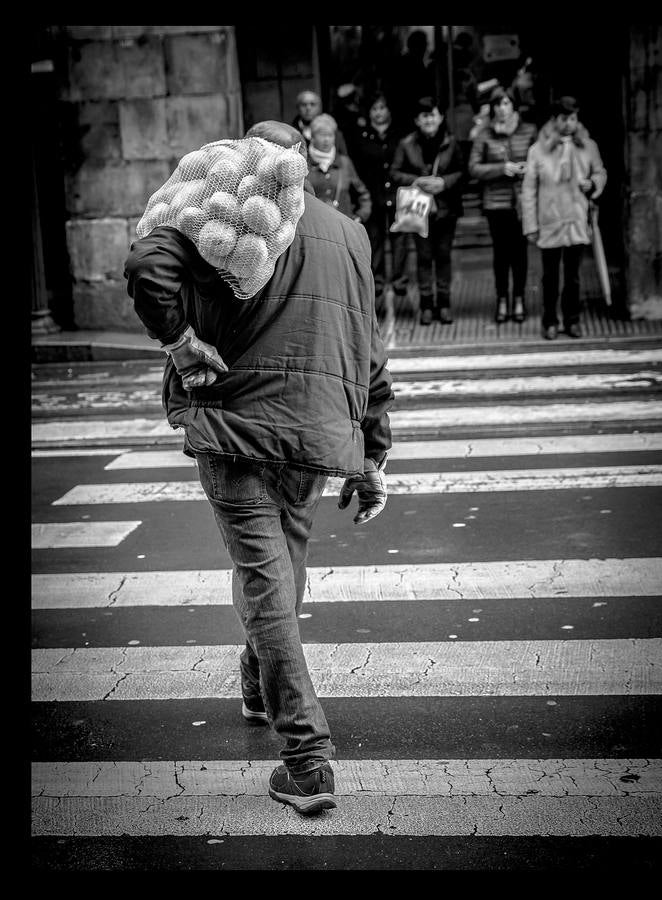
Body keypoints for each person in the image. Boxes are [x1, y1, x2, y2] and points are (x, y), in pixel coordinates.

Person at [123, 120, 394, 815]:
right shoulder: (351, 233)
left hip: (233, 425)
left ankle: (305, 760)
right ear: (303, 160)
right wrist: (372, 454)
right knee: (283, 567)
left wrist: (182, 344)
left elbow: (144, 266)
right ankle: (255, 681)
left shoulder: (221, 215)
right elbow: (368, 349)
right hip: (312, 433)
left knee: (267, 587)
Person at [521, 95, 607, 339]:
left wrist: (593, 184)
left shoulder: (588, 146)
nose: (569, 123)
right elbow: (528, 190)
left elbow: (600, 172)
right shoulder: (538, 151)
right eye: (564, 118)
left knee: (574, 276)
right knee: (550, 276)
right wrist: (530, 225)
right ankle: (549, 320)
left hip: (577, 217)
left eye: (573, 118)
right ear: (555, 120)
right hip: (550, 218)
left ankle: (572, 319)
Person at [390, 96, 464, 325]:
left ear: (440, 117)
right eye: (424, 116)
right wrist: (418, 180)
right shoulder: (407, 144)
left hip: (446, 209)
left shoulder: (451, 142)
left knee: (443, 256)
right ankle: (426, 305)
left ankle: (444, 303)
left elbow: (463, 172)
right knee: (423, 257)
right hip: (418, 208)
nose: (429, 119)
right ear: (417, 120)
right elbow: (394, 172)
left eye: (432, 114)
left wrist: (444, 183)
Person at [468, 86, 537, 324]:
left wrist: (528, 168)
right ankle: (502, 299)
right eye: (498, 104)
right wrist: (501, 169)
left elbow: (539, 161)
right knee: (501, 253)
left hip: (522, 200)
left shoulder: (528, 131)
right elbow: (473, 167)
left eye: (507, 103)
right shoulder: (483, 134)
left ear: (514, 106)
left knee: (520, 253)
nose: (502, 109)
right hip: (495, 202)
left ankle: (519, 298)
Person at [353, 92, 409, 317]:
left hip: (398, 196)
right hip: (374, 195)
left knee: (400, 241)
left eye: (382, 108)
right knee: (373, 242)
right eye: (374, 109)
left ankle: (399, 281)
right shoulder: (361, 137)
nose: (378, 113)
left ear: (389, 111)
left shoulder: (401, 135)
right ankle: (376, 286)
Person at [307, 114, 372, 226]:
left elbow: (363, 193)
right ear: (312, 137)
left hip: (342, 226)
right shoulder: (304, 163)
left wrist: (360, 216)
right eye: (322, 135)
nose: (327, 139)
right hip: (313, 227)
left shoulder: (344, 162)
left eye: (330, 135)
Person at [292, 90, 348, 155]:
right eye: (304, 105)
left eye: (312, 104)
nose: (308, 108)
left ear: (319, 107)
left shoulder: (332, 129)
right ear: (298, 108)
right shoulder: (290, 131)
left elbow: (343, 156)